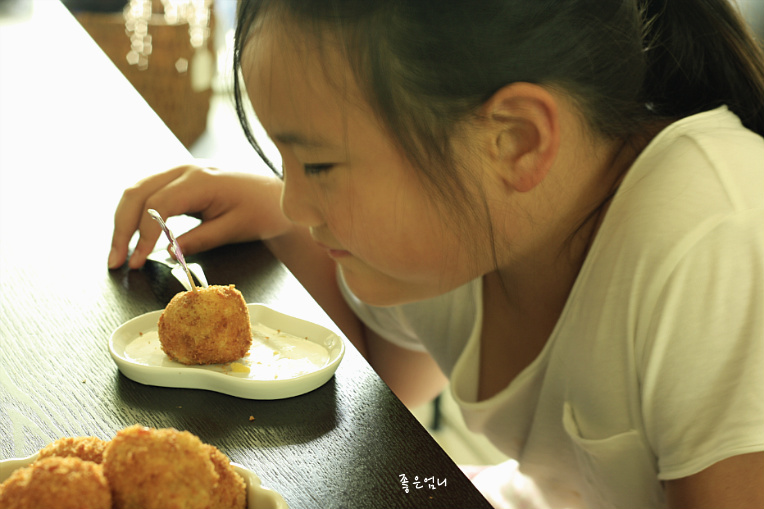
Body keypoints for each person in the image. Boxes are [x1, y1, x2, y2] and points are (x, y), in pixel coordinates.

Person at [108, 0, 764, 507]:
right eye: (285, 162)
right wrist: (267, 211)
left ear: (514, 141)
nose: (295, 202)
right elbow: (394, 359)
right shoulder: (469, 215)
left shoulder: (713, 242)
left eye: (319, 163)